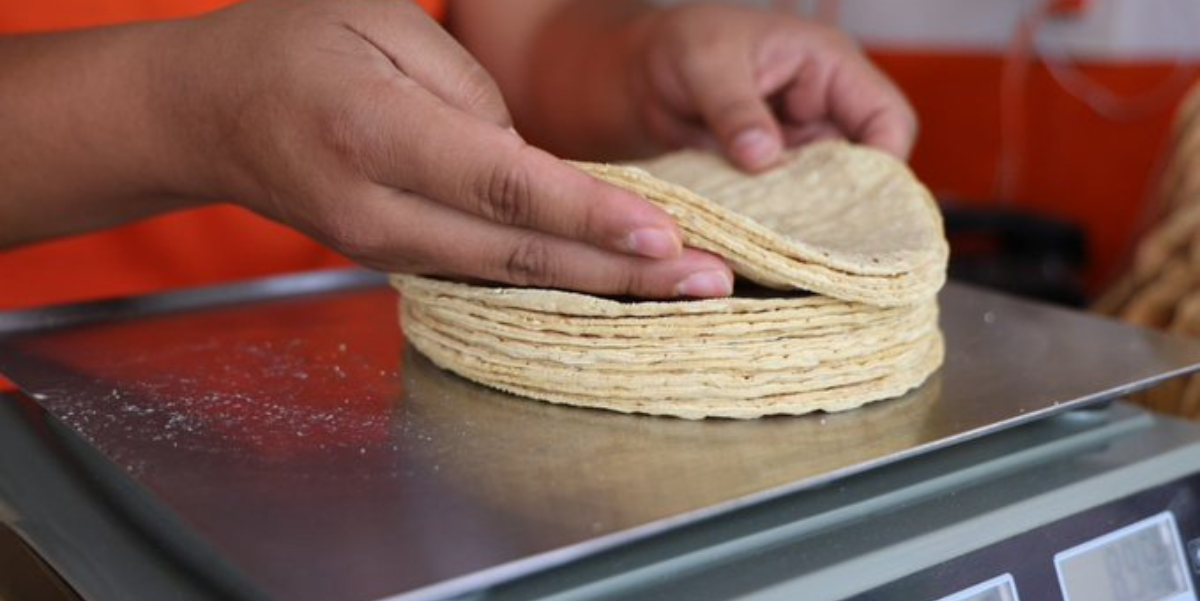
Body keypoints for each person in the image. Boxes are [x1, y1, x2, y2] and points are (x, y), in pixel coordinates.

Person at [0, 0, 915, 306]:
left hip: (380, 374)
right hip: (35, 442)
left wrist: (648, 60)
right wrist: (184, 109)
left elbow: (519, 34)